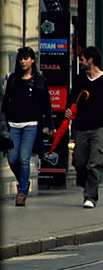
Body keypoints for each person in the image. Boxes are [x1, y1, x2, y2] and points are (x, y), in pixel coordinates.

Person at [66, 47, 103, 209]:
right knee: (79, 162)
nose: (80, 62)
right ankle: (87, 184)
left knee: (95, 163)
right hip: (81, 128)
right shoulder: (79, 80)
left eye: (82, 59)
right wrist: (69, 110)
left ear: (91, 60)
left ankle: (90, 196)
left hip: (99, 128)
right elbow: (71, 101)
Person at [1, 47, 53, 206]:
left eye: (26, 58)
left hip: (31, 124)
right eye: (21, 59)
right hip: (14, 124)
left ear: (32, 60)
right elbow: (5, 103)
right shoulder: (13, 79)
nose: (23, 61)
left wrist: (49, 125)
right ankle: (24, 181)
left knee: (24, 159)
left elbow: (46, 104)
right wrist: (4, 122)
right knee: (12, 158)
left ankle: (22, 192)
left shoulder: (39, 80)